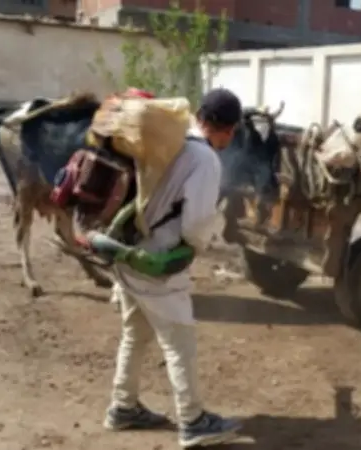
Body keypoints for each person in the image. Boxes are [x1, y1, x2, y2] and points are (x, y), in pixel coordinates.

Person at [102, 88, 243, 448]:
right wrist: (196, 247)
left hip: (130, 251)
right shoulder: (205, 160)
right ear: (228, 129)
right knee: (180, 342)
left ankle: (123, 406)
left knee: (136, 334)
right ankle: (194, 421)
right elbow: (195, 225)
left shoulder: (171, 142)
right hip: (158, 262)